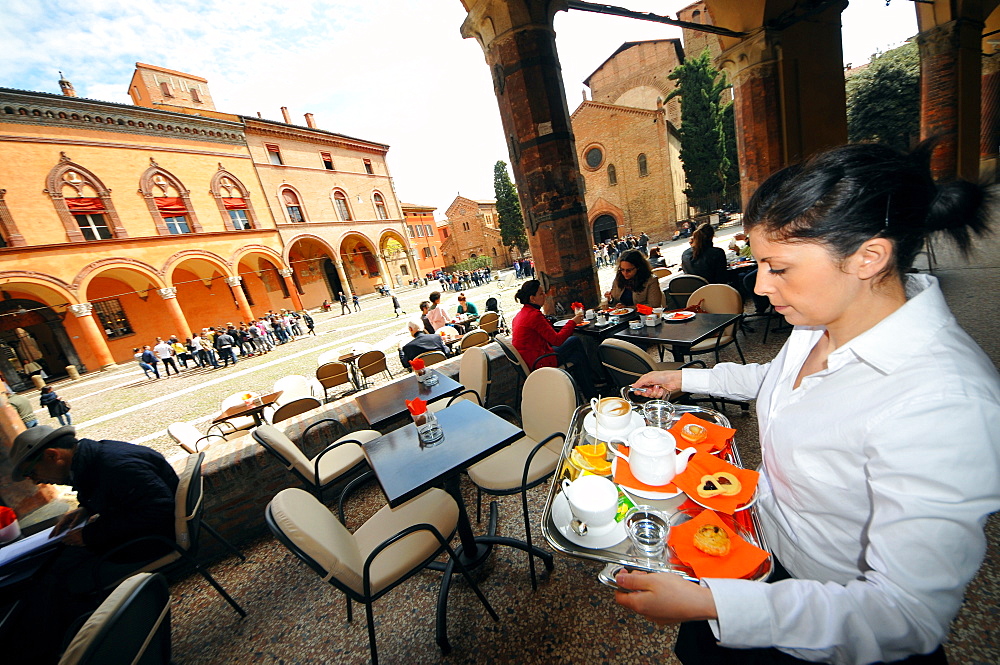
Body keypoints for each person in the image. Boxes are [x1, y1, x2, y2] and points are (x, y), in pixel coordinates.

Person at [619, 142, 1000, 665]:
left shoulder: (944, 404)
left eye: (778, 267)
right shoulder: (822, 319)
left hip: (826, 617)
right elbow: (777, 380)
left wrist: (714, 603)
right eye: (757, 264)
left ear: (869, 257)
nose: (759, 284)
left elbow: (905, 614)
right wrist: (683, 377)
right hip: (763, 550)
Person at [7, 425, 178, 664]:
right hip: (139, 537)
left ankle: (99, 649)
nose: (36, 481)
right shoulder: (96, 459)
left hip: (152, 542)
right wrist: (88, 508)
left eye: (31, 472)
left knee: (65, 582)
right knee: (51, 571)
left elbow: (159, 508)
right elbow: (126, 496)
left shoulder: (115, 466)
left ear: (52, 456)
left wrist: (90, 536)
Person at [511, 280, 597, 399]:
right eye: (541, 294)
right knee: (575, 342)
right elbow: (557, 340)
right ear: (532, 298)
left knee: (577, 356)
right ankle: (592, 388)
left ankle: (591, 390)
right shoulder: (534, 315)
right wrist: (573, 322)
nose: (545, 296)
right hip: (540, 361)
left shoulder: (521, 314)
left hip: (531, 359)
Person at [601, 249, 665, 309]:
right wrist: (610, 300)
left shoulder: (650, 280)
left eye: (629, 270)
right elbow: (615, 302)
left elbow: (654, 305)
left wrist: (629, 308)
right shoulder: (619, 278)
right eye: (622, 269)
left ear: (638, 267)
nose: (625, 273)